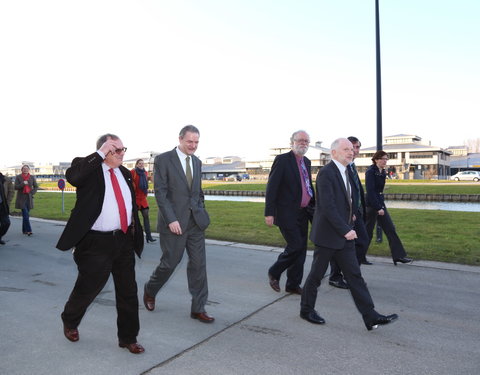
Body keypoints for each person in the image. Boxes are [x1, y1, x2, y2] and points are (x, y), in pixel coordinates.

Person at [56, 133, 145, 354]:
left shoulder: (125, 173)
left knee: (128, 291)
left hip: (123, 239)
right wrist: (99, 152)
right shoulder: (87, 169)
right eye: (116, 150)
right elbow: (74, 177)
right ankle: (70, 319)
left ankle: (128, 337)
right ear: (104, 151)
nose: (122, 153)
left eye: (124, 149)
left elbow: (129, 205)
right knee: (89, 288)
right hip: (96, 241)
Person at [300, 138, 398, 330]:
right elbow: (327, 207)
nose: (351, 151)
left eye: (352, 149)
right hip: (328, 236)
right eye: (346, 149)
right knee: (316, 275)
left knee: (354, 275)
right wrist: (346, 230)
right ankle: (306, 310)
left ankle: (370, 316)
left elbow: (347, 199)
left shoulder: (347, 171)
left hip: (345, 234)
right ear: (334, 152)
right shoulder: (326, 173)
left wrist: (352, 215)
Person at [143, 125, 214, 323]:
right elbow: (161, 193)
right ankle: (150, 289)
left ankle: (198, 308)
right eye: (190, 141)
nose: (193, 146)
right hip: (174, 223)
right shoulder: (164, 160)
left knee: (199, 265)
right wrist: (171, 219)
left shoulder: (197, 162)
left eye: (196, 142)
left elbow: (197, 192)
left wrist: (201, 210)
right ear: (180, 139)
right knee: (170, 264)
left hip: (195, 223)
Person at [264, 130, 315, 294]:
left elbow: (307, 186)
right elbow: (272, 187)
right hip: (286, 212)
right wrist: (269, 213)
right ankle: (275, 271)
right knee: (295, 246)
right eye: (300, 140)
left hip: (303, 212)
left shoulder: (306, 161)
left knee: (301, 251)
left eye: (306, 141)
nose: (303, 143)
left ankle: (293, 284)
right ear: (291, 142)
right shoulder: (282, 160)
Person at [328, 136, 372, 288]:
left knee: (360, 242)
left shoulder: (352, 165)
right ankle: (338, 276)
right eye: (351, 148)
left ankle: (349, 274)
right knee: (343, 244)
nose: (354, 151)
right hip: (345, 213)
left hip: (356, 211)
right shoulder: (340, 166)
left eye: (356, 148)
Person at [365, 151, 413, 266]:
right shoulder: (370, 172)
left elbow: (380, 191)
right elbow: (371, 192)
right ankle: (359, 257)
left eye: (386, 159)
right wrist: (377, 208)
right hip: (372, 205)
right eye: (383, 159)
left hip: (380, 204)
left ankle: (398, 256)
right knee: (367, 232)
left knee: (390, 229)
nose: (385, 161)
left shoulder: (383, 172)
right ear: (376, 159)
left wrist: (381, 206)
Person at [131, 159, 156, 243]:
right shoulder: (133, 172)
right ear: (136, 164)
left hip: (143, 199)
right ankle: (134, 238)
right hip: (135, 199)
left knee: (146, 217)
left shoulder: (145, 173)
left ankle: (148, 236)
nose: (141, 165)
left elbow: (149, 180)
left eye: (142, 163)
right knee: (134, 220)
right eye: (140, 163)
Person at [14, 165, 38, 236]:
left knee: (26, 215)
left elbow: (36, 186)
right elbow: (15, 187)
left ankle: (24, 230)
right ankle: (29, 230)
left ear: (29, 170)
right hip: (21, 199)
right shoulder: (18, 177)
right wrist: (22, 183)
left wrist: (32, 192)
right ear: (21, 170)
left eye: (27, 169)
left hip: (29, 198)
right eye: (24, 169)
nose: (25, 170)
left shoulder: (31, 177)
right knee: (25, 214)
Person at [0, 172, 14, 245]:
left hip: (3, 205)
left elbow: (11, 191)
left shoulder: (6, 179)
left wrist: (7, 202)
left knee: (6, 223)